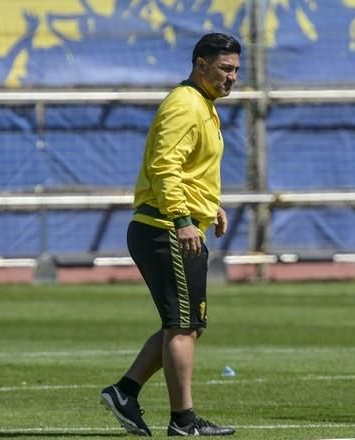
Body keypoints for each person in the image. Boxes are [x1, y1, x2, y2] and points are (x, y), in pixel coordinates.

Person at [101, 32, 241, 437]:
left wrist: (207, 206)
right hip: (164, 228)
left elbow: (187, 168)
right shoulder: (185, 104)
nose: (232, 77)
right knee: (182, 327)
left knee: (185, 325)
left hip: (175, 224)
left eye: (235, 70)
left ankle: (125, 392)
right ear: (200, 65)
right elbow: (165, 167)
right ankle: (183, 421)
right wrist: (181, 219)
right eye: (224, 69)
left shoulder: (203, 105)